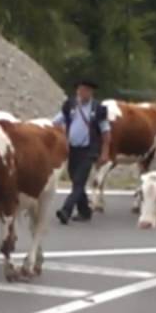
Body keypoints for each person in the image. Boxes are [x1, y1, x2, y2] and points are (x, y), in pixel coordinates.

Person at [52, 78, 111, 224]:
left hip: (89, 150)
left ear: (91, 92)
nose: (81, 93)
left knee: (78, 181)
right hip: (72, 149)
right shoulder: (70, 106)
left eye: (85, 90)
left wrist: (104, 152)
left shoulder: (98, 109)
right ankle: (85, 211)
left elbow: (106, 132)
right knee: (76, 181)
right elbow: (56, 122)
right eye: (79, 90)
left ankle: (66, 210)